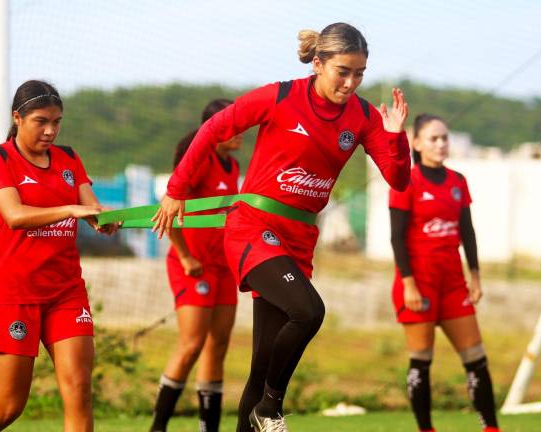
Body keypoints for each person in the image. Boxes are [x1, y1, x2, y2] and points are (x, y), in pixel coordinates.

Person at [153, 23, 411, 432]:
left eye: (360, 73)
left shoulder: (362, 116)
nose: (351, 82)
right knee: (309, 311)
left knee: (260, 368)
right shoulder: (280, 96)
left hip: (300, 239)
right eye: (342, 71)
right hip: (253, 228)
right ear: (318, 62)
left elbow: (398, 179)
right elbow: (214, 128)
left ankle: (262, 405)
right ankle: (271, 408)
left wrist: (396, 136)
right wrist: (175, 190)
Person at [0, 80, 117, 432]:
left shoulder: (69, 158)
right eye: (41, 121)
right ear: (17, 118)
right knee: (8, 406)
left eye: (57, 121)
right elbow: (15, 216)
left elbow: (89, 207)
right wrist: (71, 209)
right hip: (13, 293)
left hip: (66, 292)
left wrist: (103, 218)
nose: (51, 130)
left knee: (79, 389)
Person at [389, 114, 500, 432]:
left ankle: (491, 428)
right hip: (418, 283)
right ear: (417, 143)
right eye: (433, 138)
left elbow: (468, 232)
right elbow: (397, 237)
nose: (440, 144)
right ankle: (426, 429)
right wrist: (408, 283)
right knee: (422, 360)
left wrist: (475, 276)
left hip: (452, 283)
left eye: (445, 138)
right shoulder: (405, 180)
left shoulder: (457, 181)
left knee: (476, 358)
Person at [150, 98, 242, 432]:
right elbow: (168, 209)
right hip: (191, 265)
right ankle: (158, 426)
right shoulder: (199, 161)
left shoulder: (232, 167)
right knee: (191, 345)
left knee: (218, 345)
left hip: (223, 268)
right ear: (214, 130)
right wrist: (186, 255)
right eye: (233, 126)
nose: (241, 132)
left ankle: (209, 429)